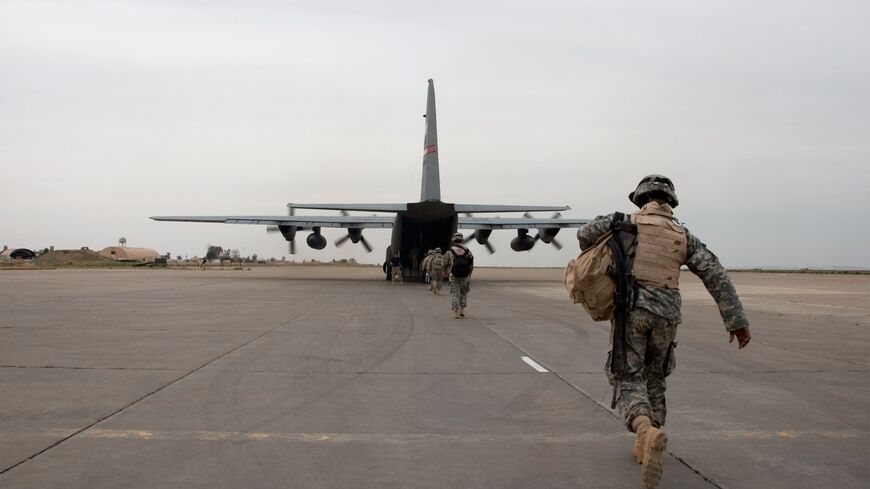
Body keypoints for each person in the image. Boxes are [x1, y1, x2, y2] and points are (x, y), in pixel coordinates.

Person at [577, 174, 751, 489]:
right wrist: (736, 320)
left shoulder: (622, 223)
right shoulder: (682, 235)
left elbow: (584, 235)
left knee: (628, 377)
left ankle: (645, 431)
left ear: (640, 199)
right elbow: (714, 272)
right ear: (671, 202)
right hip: (668, 316)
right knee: (655, 377)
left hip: (632, 313)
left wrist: (615, 223)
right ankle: (646, 447)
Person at [444, 233, 474, 318]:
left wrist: (445, 273)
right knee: (464, 293)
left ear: (453, 240)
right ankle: (462, 310)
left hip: (454, 276)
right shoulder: (468, 251)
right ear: (462, 240)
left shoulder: (449, 252)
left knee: (455, 294)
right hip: (465, 276)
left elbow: (444, 263)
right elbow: (471, 264)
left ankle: (456, 312)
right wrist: (469, 274)